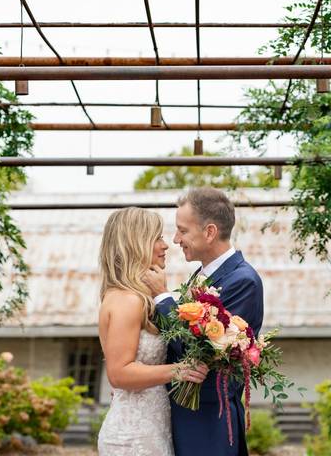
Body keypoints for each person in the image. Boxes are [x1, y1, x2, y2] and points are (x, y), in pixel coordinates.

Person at [144, 187, 264, 456]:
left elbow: (195, 353)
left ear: (209, 232)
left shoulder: (243, 281)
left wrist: (163, 297)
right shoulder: (203, 276)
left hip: (208, 422)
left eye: (183, 231)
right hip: (185, 416)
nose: (176, 239)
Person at [97, 207, 209, 456]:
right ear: (135, 243)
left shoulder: (137, 297)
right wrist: (181, 370)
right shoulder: (127, 300)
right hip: (134, 436)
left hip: (152, 426)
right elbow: (118, 374)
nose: (165, 244)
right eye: (157, 237)